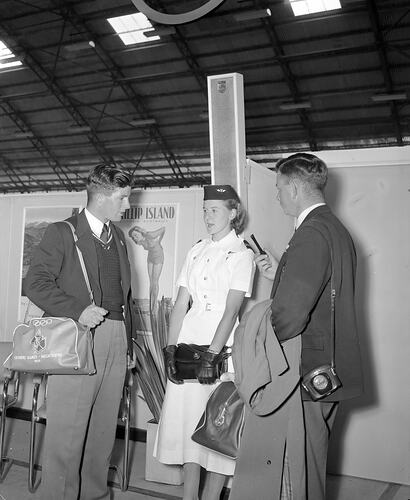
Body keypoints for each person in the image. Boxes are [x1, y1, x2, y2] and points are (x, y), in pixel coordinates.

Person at [254, 153, 363, 500]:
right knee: (311, 463)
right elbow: (319, 294)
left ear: (296, 187)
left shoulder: (310, 233)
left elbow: (290, 314)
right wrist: (279, 273)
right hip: (328, 370)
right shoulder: (334, 228)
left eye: (279, 187)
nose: (277, 195)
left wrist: (265, 354)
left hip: (304, 371)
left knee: (295, 470)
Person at [25, 163, 135, 500]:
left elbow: (123, 295)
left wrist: (127, 345)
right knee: (67, 436)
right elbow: (35, 283)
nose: (127, 205)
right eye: (123, 198)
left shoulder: (117, 237)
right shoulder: (63, 232)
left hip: (115, 339)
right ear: (101, 198)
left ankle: (94, 495)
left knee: (102, 435)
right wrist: (78, 309)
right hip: (78, 338)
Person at [154, 184, 254, 500]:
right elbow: (181, 302)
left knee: (217, 430)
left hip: (219, 351)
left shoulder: (242, 254)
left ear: (233, 212)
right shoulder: (196, 250)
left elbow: (232, 309)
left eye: (215, 210)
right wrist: (170, 348)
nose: (207, 217)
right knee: (187, 428)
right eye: (204, 210)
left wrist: (212, 354)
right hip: (187, 345)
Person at [128, 225, 165, 308]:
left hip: (158, 256)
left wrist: (159, 241)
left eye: (136, 235)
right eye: (133, 237)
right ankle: (151, 302)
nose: (135, 238)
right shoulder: (140, 242)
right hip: (150, 257)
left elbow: (163, 229)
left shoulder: (150, 235)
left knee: (155, 281)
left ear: (141, 233)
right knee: (151, 281)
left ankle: (154, 304)